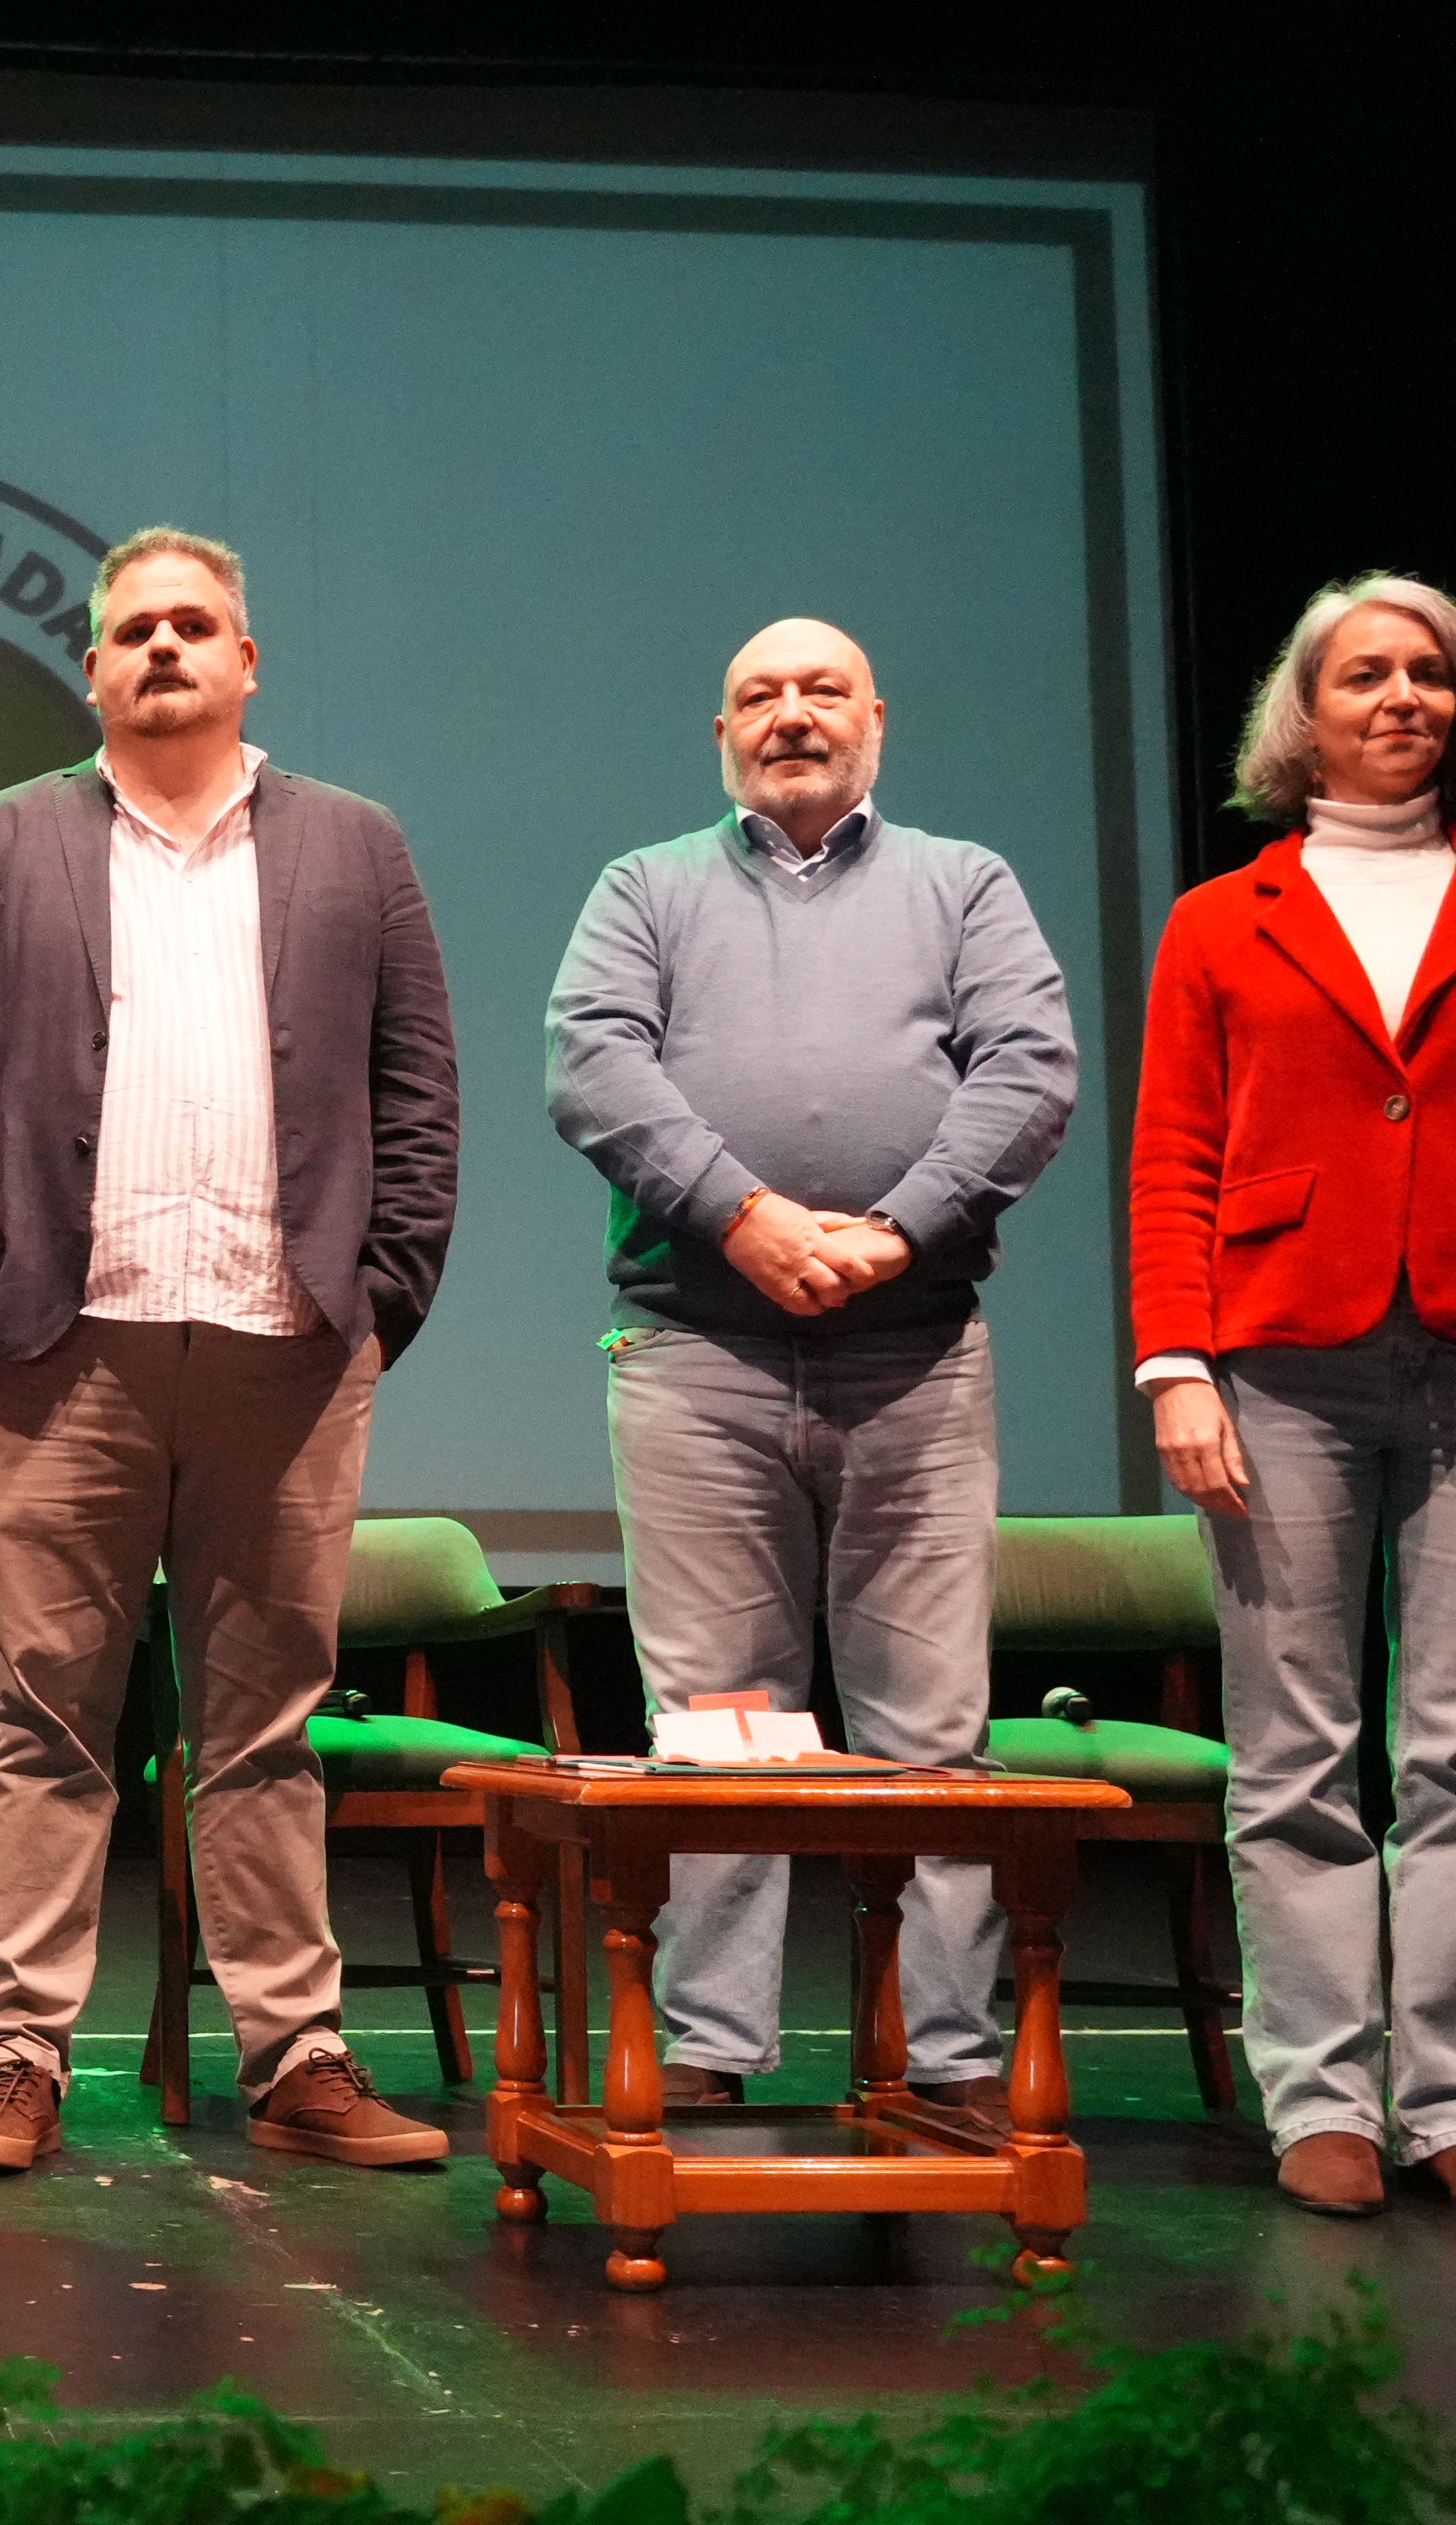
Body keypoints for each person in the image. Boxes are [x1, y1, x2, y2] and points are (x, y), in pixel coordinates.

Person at [0, 525, 462, 2176]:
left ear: (248, 660)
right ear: (91, 670)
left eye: (195, 627)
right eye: (134, 632)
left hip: (289, 1345)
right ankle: (19, 2057)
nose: (164, 652)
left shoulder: (356, 845)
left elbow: (418, 1085)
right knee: (43, 1713)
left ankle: (296, 2052)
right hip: (64, 1344)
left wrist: (387, 1289)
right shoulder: (1, 843)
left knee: (267, 1719)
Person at [1134, 572, 1456, 2224]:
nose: (1402, 698)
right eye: (1366, 674)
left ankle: (1454, 2104)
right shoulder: (1226, 917)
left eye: (1429, 673)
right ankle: (1321, 2104)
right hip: (1277, 1355)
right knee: (1293, 1750)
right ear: (1306, 713)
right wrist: (1175, 1364)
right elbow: (1172, 1158)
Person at [544, 618, 1078, 2121]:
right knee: (718, 1724)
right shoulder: (644, 889)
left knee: (931, 1727)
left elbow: (1030, 1075)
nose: (793, 714)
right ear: (720, 734)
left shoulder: (963, 884)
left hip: (914, 1352)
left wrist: (895, 1237)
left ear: (877, 722)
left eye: (822, 690)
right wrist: (752, 1217)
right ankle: (710, 2053)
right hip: (697, 1352)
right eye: (761, 696)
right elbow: (594, 1068)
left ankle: (955, 2062)